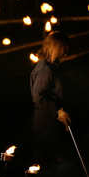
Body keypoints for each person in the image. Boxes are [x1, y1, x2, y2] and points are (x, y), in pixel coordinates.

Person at [29, 31, 71, 169]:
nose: (66, 53)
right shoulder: (45, 69)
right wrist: (57, 111)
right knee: (47, 161)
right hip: (44, 122)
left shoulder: (52, 67)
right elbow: (38, 96)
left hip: (50, 120)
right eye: (64, 49)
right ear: (56, 48)